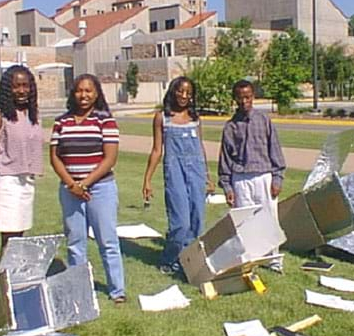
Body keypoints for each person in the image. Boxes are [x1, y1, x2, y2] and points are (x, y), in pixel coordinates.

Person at [50, 74, 126, 304]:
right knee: (75, 242)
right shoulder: (61, 122)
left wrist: (85, 183)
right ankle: (78, 290)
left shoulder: (105, 121)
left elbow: (110, 158)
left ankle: (117, 291)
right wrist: (72, 185)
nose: (84, 95)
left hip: (100, 189)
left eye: (89, 91)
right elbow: (55, 157)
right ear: (73, 93)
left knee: (108, 241)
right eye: (79, 91)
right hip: (70, 191)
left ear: (96, 93)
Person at [142, 76, 215, 275]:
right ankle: (170, 258)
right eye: (180, 91)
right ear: (173, 91)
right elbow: (157, 150)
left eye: (188, 93)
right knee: (180, 222)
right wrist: (147, 179)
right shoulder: (162, 118)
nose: (184, 96)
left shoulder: (195, 118)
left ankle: (188, 260)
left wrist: (207, 176)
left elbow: (200, 147)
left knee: (197, 220)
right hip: (175, 172)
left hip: (196, 171)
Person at [218, 79, 286, 273]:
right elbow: (225, 158)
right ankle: (250, 259)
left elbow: (275, 149)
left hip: (264, 176)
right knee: (245, 221)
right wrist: (227, 186)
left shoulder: (264, 120)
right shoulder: (230, 127)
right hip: (240, 179)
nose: (244, 102)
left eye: (247, 97)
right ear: (235, 100)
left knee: (269, 218)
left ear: (253, 97)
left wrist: (277, 177)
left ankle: (274, 260)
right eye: (240, 98)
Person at [0, 65, 43, 256]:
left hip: (26, 181)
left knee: (19, 234)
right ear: (8, 89)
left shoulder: (34, 115)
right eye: (16, 86)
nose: (21, 91)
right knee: (10, 238)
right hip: (5, 181)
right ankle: (4, 279)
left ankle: (12, 277)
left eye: (25, 85)